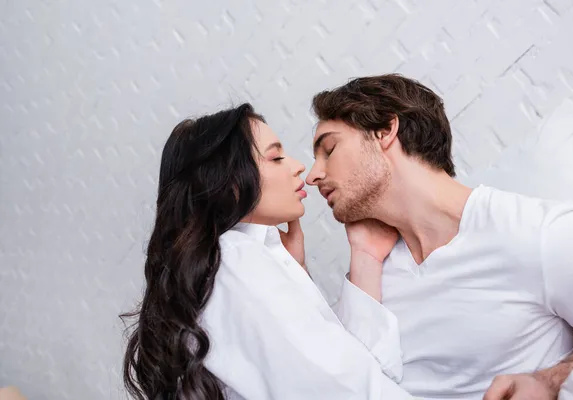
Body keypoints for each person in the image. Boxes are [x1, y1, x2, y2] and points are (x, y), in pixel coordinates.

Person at [305, 74, 573, 400]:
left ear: (386, 131)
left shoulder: (539, 234)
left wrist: (550, 381)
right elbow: (350, 383)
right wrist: (363, 255)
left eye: (329, 149)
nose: (312, 175)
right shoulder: (370, 272)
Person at [120, 104, 414, 400]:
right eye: (276, 157)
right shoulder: (234, 258)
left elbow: (351, 369)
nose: (299, 166)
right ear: (229, 183)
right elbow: (348, 388)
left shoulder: (223, 267)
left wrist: (302, 271)